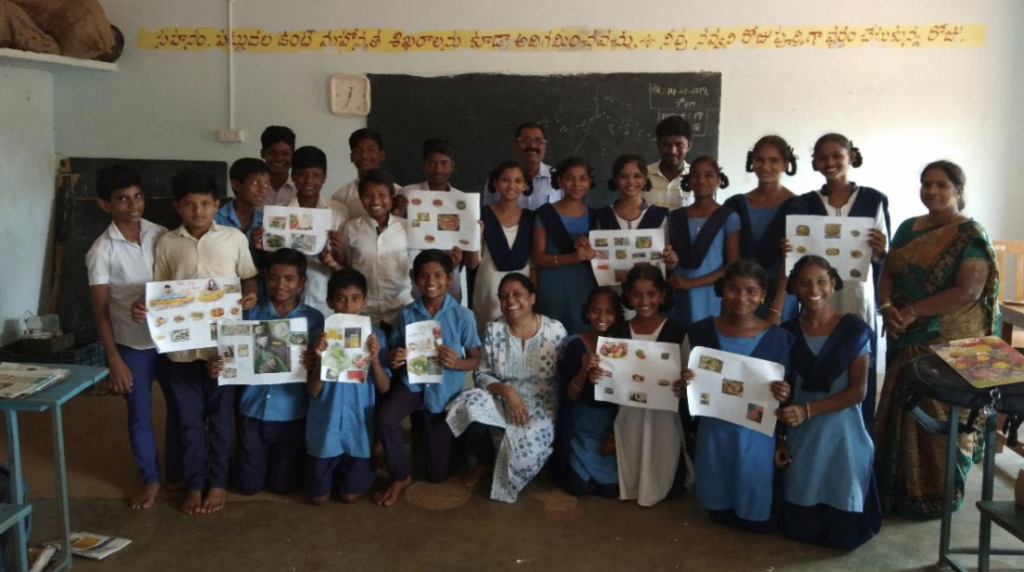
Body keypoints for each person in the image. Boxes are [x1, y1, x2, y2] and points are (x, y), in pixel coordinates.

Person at [874, 160, 999, 519]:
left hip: (947, 341)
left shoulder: (970, 235)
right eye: (926, 183)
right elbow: (889, 269)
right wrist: (887, 307)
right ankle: (893, 490)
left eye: (942, 185)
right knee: (900, 407)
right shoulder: (908, 227)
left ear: (958, 191)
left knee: (941, 413)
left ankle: (935, 493)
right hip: (903, 331)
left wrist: (912, 312)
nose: (932, 191)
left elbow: (968, 291)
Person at [140, 168, 259, 514]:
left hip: (223, 349)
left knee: (221, 419)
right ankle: (195, 483)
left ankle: (217, 482)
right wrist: (149, 308)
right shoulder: (167, 243)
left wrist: (250, 295)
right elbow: (160, 291)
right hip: (181, 351)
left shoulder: (233, 238)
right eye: (190, 204)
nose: (198, 211)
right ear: (177, 206)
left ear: (216, 204)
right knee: (188, 421)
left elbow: (248, 277)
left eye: (205, 203)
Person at [777, 133, 890, 429]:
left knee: (856, 363)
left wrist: (881, 251)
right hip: (817, 296)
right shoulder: (803, 204)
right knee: (813, 357)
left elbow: (883, 258)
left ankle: (857, 433)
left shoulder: (874, 200)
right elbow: (797, 261)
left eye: (837, 155)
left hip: (856, 295)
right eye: (822, 157)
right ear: (814, 162)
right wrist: (788, 250)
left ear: (851, 157)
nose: (830, 162)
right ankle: (807, 423)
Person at [675, 259, 793, 531]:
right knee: (717, 505)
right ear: (722, 290)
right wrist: (684, 384)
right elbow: (685, 386)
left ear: (763, 294)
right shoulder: (700, 331)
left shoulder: (778, 338)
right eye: (733, 289)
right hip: (714, 427)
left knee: (753, 503)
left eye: (751, 291)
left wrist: (784, 392)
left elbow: (786, 392)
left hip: (756, 432)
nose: (741, 297)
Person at [86, 164, 179, 510]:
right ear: (105, 204)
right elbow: (101, 310)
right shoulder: (101, 250)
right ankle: (150, 479)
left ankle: (177, 472)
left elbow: (176, 285)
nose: (133, 204)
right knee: (139, 414)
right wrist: (114, 360)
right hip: (132, 346)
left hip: (169, 339)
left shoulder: (162, 234)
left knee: (179, 408)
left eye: (137, 196)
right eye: (122, 199)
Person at [776, 255, 881, 549]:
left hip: (843, 431)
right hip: (801, 433)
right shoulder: (787, 332)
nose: (814, 289)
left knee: (842, 499)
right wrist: (781, 432)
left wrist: (808, 410)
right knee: (802, 523)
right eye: (804, 282)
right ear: (794, 287)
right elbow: (783, 389)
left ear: (833, 284)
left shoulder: (854, 330)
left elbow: (858, 391)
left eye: (821, 281)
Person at [207, 248, 324, 496]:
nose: (280, 285)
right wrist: (218, 364)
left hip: (292, 411)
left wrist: (315, 360)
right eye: (274, 277)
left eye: (289, 278)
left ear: (302, 282)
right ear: (266, 278)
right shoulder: (249, 313)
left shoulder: (314, 319)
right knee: (248, 487)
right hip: (252, 409)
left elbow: (320, 362)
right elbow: (228, 352)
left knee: (284, 487)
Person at [448, 273, 567, 502]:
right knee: (468, 403)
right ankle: (484, 460)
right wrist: (507, 392)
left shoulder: (555, 330)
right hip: (503, 398)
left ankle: (530, 458)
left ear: (532, 298)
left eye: (517, 294)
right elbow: (481, 373)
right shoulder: (494, 330)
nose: (510, 301)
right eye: (503, 296)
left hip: (542, 406)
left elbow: (566, 372)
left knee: (520, 458)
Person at [376, 250, 481, 506]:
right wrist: (395, 357)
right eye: (423, 276)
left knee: (436, 475)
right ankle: (400, 475)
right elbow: (395, 351)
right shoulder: (407, 313)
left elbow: (476, 359)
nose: (431, 282)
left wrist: (457, 363)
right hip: (413, 384)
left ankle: (456, 438)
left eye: (438, 275)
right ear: (414, 277)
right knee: (385, 418)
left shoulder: (463, 315)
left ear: (449, 278)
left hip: (445, 393)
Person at [605, 264, 689, 506]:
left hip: (665, 415)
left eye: (651, 294)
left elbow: (687, 378)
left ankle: (663, 483)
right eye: (637, 294)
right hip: (628, 412)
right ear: (628, 295)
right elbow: (609, 375)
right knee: (631, 447)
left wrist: (685, 386)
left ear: (662, 294)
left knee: (663, 453)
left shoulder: (676, 332)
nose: (644, 301)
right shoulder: (618, 331)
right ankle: (633, 485)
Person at [306, 269, 391, 505]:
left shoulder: (376, 337)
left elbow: (384, 388)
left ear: (364, 301)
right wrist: (320, 359)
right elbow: (312, 390)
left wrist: (374, 359)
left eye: (355, 299)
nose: (348, 306)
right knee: (319, 499)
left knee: (349, 496)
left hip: (358, 429)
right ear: (330, 302)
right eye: (341, 299)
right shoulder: (319, 337)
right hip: (326, 427)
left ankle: (354, 474)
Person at [254, 146, 347, 318]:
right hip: (285, 297)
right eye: (302, 174)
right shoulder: (278, 211)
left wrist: (338, 251)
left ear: (324, 177)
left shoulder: (337, 211)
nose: (309, 180)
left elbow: (344, 260)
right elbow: (270, 260)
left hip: (323, 292)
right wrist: (262, 246)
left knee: (320, 332)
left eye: (316, 175)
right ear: (293, 176)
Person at [552, 286, 623, 497]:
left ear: (617, 315)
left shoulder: (623, 346)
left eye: (609, 312)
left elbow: (629, 396)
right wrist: (584, 370)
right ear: (586, 311)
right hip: (581, 428)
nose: (601, 317)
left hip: (612, 427)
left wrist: (614, 435)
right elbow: (569, 395)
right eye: (595, 310)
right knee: (580, 486)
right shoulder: (576, 344)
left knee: (611, 489)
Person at [325, 169, 413, 331]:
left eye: (382, 195)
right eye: (368, 195)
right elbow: (348, 269)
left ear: (391, 196)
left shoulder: (407, 228)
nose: (375, 201)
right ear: (360, 198)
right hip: (364, 312)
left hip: (401, 309)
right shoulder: (350, 229)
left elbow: (418, 267)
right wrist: (336, 257)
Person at [723, 135, 799, 322]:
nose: (765, 167)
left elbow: (791, 260)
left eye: (774, 160)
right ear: (752, 161)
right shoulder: (735, 204)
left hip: (780, 297)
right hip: (741, 296)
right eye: (760, 159)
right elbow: (731, 260)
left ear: (785, 164)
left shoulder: (797, 206)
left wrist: (776, 309)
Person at [665, 155, 740, 328]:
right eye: (695, 175)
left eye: (708, 175)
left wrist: (691, 283)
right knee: (679, 336)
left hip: (712, 292)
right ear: (688, 181)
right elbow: (667, 257)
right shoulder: (675, 217)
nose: (701, 180)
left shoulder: (728, 217)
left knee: (706, 336)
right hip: (678, 289)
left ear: (718, 180)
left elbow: (733, 266)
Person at [398, 138, 476, 302]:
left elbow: (469, 249)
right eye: (432, 163)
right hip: (413, 273)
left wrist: (460, 256)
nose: (438, 169)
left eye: (444, 163)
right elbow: (395, 231)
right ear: (424, 165)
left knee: (447, 313)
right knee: (414, 312)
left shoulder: (462, 201)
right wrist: (396, 209)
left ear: (452, 165)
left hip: (449, 273)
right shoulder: (408, 193)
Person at [532, 156, 598, 335]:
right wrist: (573, 257)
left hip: (585, 287)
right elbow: (538, 258)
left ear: (589, 182)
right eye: (569, 178)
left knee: (583, 339)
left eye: (582, 178)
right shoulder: (545, 213)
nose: (576, 184)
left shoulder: (595, 216)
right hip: (553, 288)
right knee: (551, 339)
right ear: (560, 181)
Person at [469, 160, 535, 334]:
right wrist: (475, 236)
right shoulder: (481, 214)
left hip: (521, 289)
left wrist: (533, 295)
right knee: (488, 336)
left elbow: (534, 264)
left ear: (525, 185)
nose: (511, 185)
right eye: (505, 180)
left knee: (519, 334)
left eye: (518, 180)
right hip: (488, 287)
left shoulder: (532, 219)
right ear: (496, 183)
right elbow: (472, 264)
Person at [484, 122, 561, 209]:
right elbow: (487, 213)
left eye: (538, 140)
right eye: (526, 140)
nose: (532, 145)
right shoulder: (497, 179)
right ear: (516, 145)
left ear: (544, 147)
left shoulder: (558, 177)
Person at [330, 128, 400, 218]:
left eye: (370, 150)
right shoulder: (340, 197)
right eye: (358, 151)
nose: (364, 155)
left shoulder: (398, 193)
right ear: (351, 157)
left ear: (382, 155)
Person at [595, 153, 668, 232]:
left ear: (645, 179)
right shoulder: (602, 216)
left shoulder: (659, 215)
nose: (630, 181)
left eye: (637, 176)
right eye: (623, 176)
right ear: (615, 179)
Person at [216, 158, 269, 241]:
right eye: (255, 183)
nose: (263, 190)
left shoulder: (264, 223)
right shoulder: (215, 219)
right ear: (236, 185)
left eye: (266, 185)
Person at [647, 115, 693, 209]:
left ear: (688, 146)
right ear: (658, 145)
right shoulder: (642, 175)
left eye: (679, 145)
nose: (672, 151)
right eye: (666, 145)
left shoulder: (698, 178)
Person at [260, 125, 297, 206]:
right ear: (262, 153)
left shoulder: (301, 189)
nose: (279, 158)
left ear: (294, 155)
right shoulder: (252, 189)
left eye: (286, 153)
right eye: (272, 153)